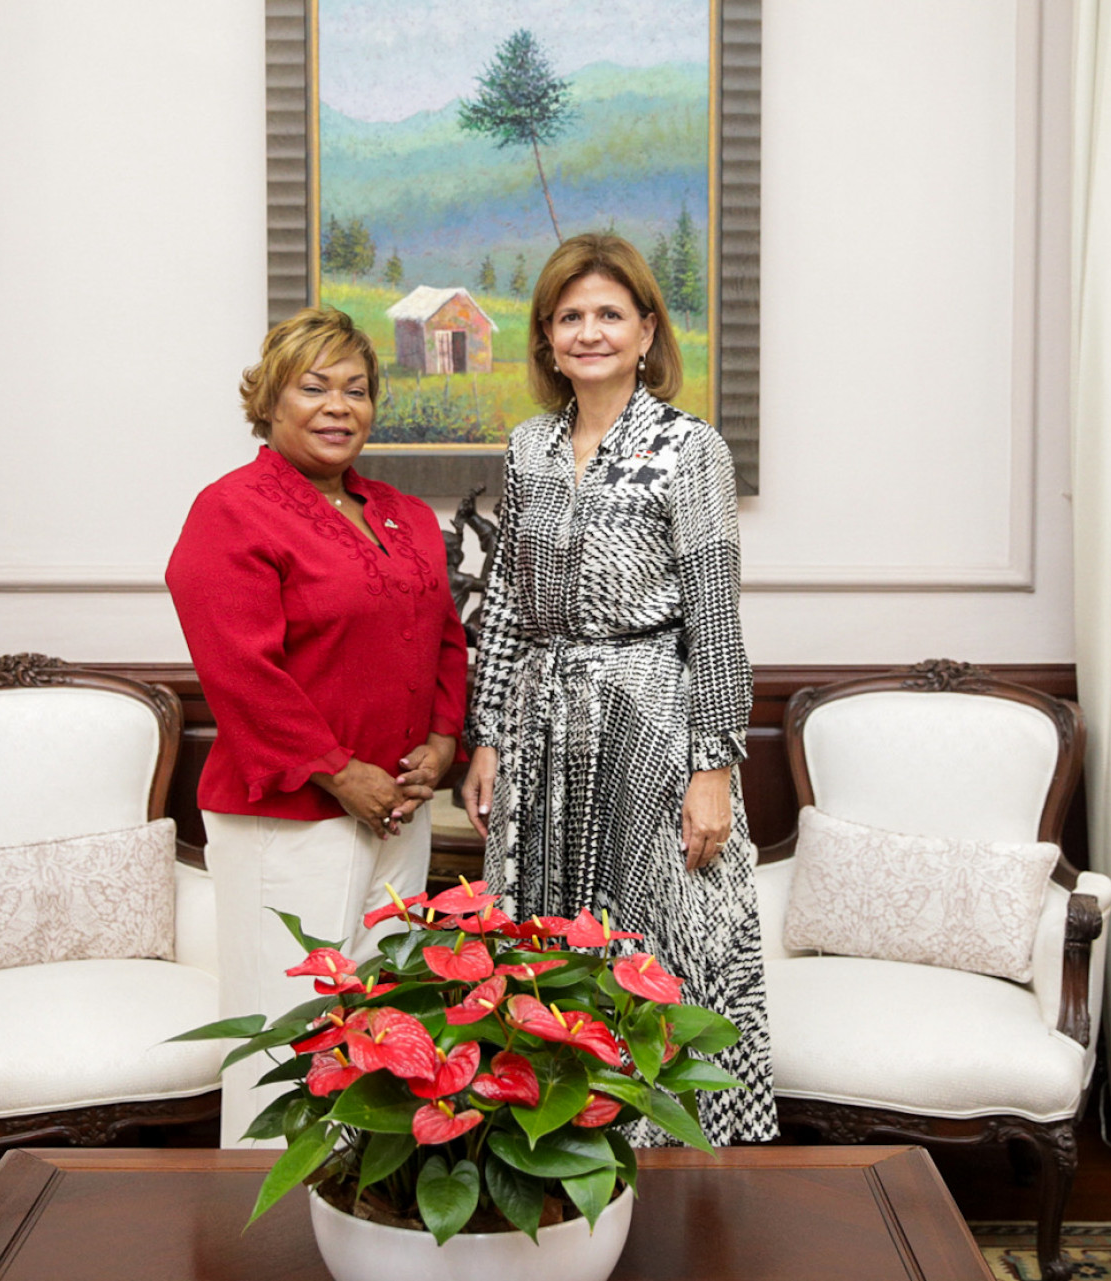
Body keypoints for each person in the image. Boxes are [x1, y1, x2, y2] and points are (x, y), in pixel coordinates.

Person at [460, 233, 777, 1145]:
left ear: (646, 331)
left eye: (609, 313)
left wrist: (713, 768)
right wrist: (488, 737)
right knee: (543, 945)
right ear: (547, 339)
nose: (589, 331)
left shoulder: (690, 448)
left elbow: (715, 620)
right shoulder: (528, 448)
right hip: (539, 724)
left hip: (651, 723)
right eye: (570, 316)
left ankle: (667, 1161)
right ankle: (551, 1156)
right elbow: (508, 602)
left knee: (656, 944)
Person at [166, 306, 469, 1146]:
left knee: (384, 1032)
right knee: (287, 1039)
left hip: (398, 809)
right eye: (314, 387)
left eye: (357, 389)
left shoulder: (404, 514)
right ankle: (270, 1221)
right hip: (289, 816)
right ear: (268, 401)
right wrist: (338, 769)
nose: (340, 406)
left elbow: (445, 634)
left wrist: (443, 741)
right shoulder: (231, 511)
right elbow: (239, 669)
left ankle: (361, 1213)